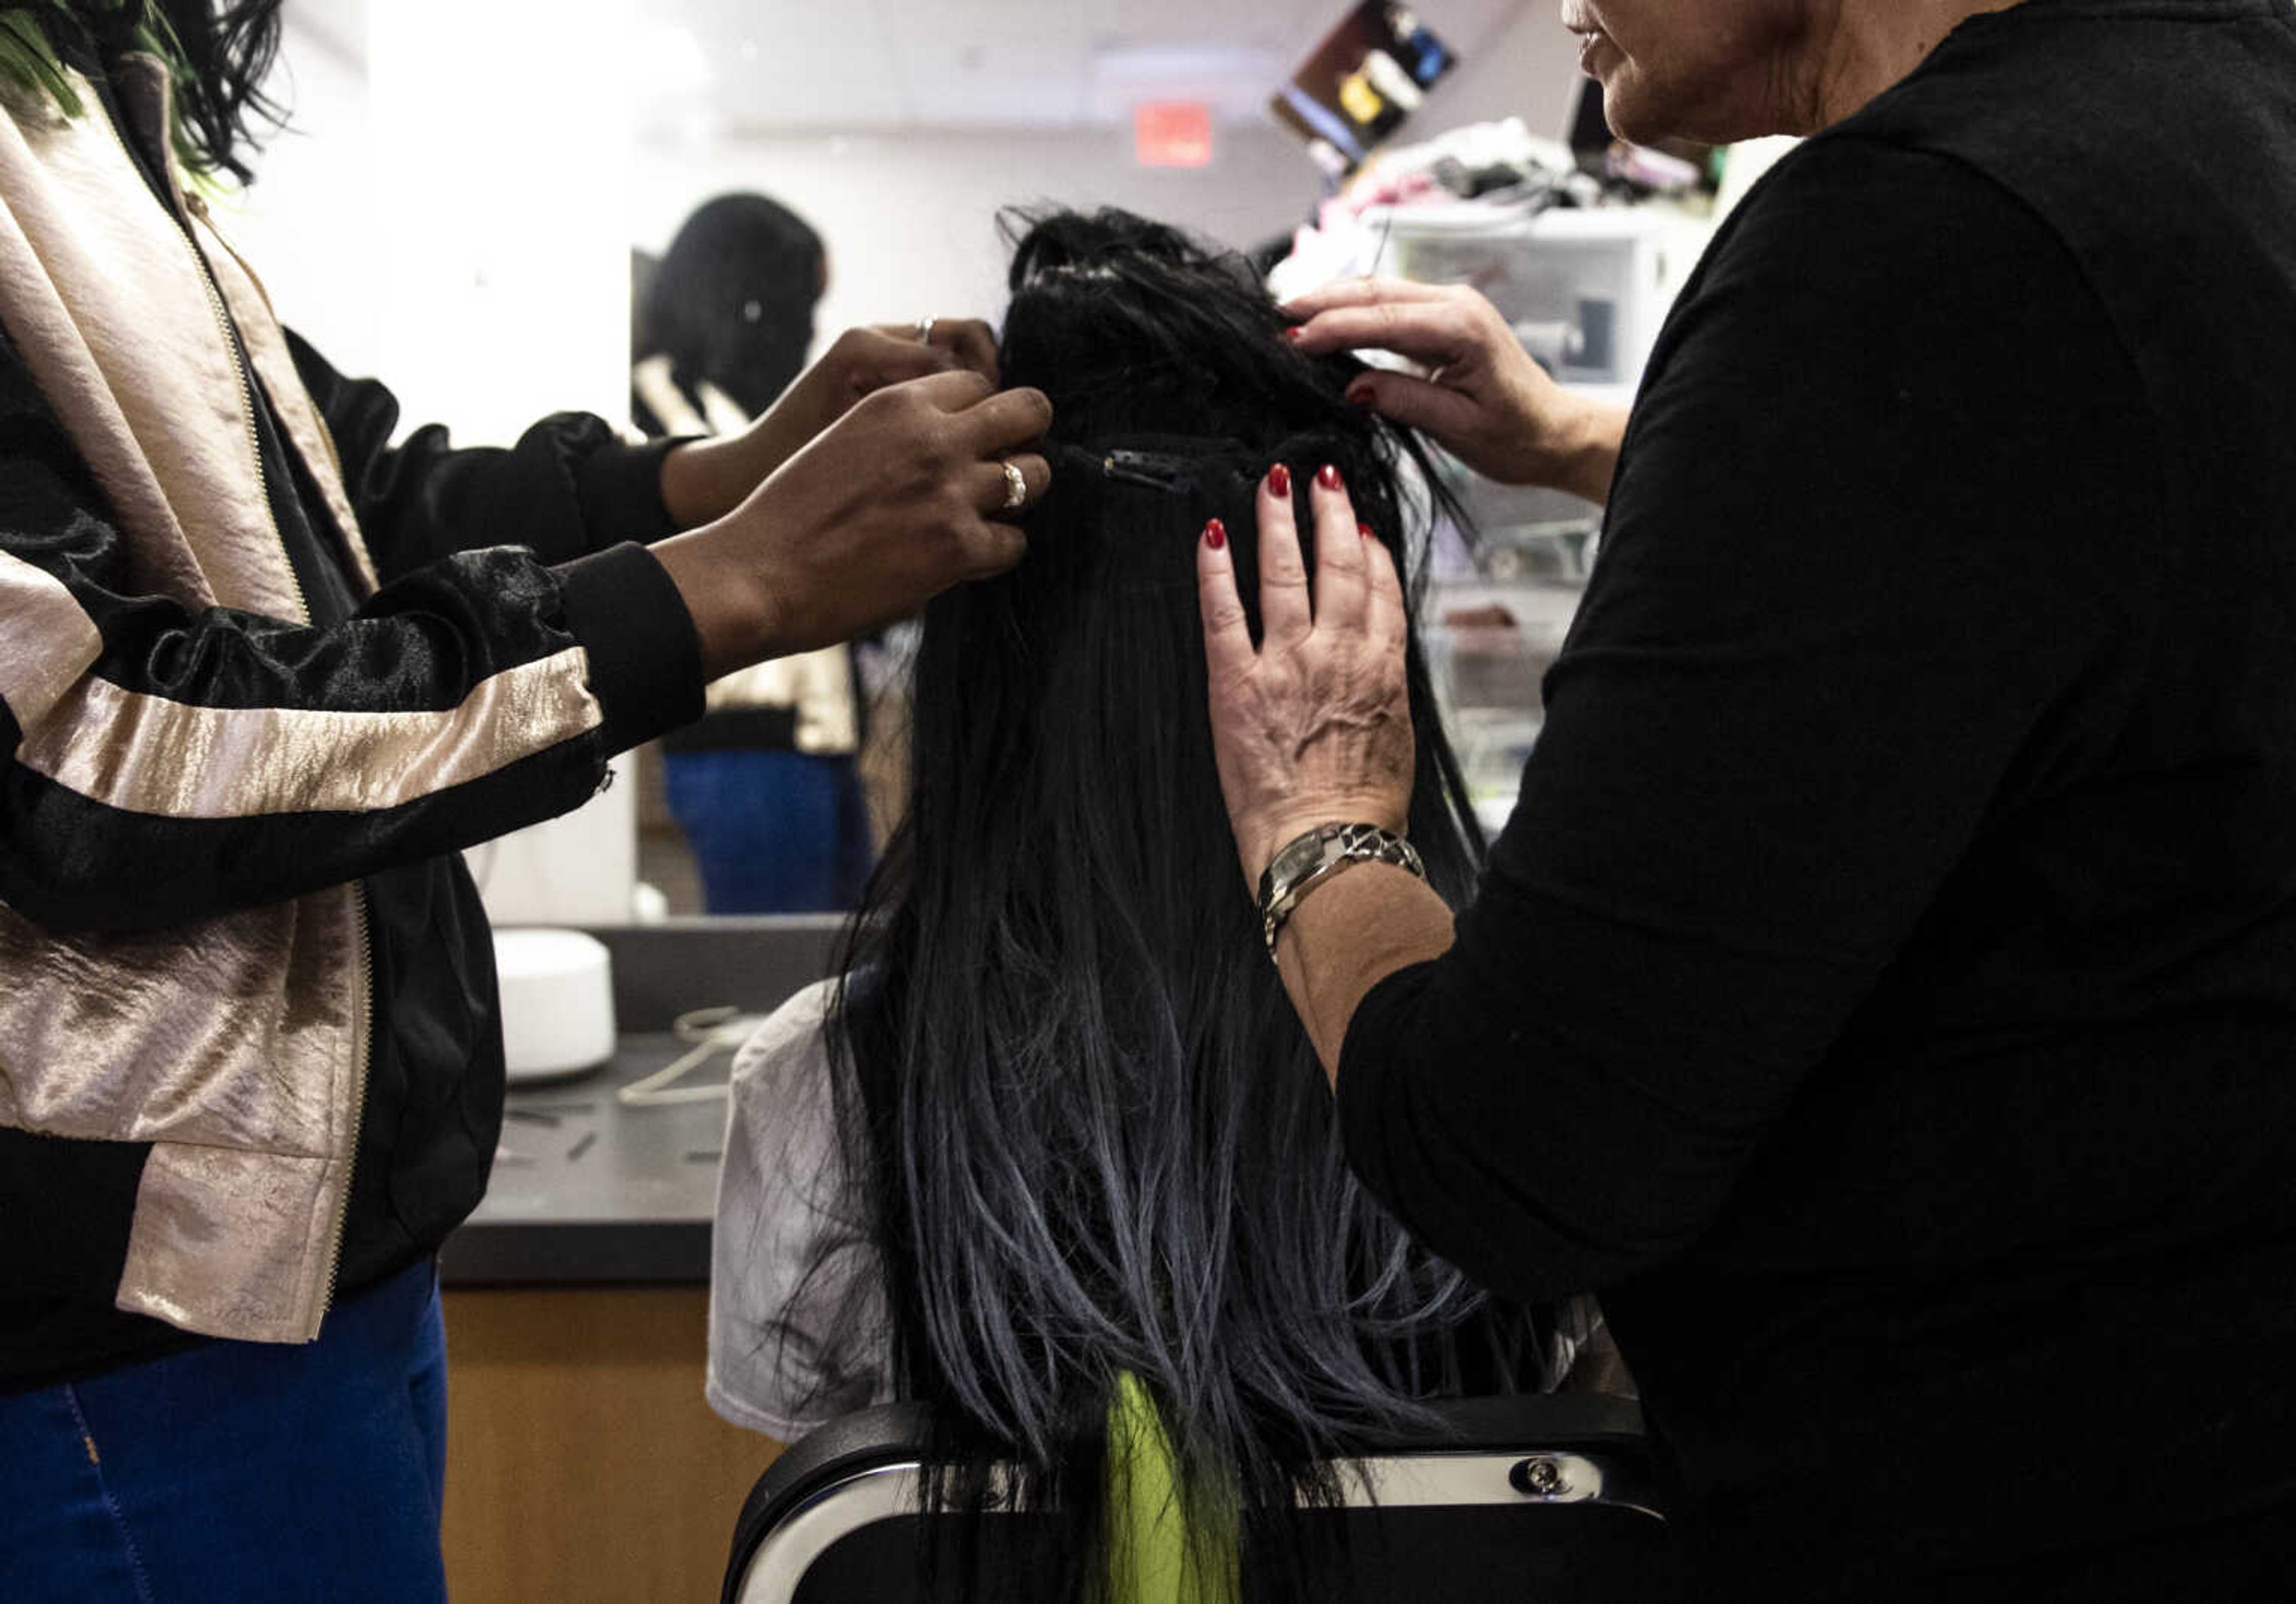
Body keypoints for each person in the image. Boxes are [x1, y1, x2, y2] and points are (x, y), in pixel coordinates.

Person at [1197, 0, 2296, 1598]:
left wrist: (1320, 813)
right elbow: (2053, 523)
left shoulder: (1913, 241)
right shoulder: (2236, 99)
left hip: (2055, 1506)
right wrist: (1584, 443)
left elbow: (1518, 1145)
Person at [0, 4, 1050, 1599]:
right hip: (123, 1307)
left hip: (323, 1241)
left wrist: (716, 483)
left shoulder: (84, 121)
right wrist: (723, 586)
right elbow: (85, 748)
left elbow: (354, 502)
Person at [708, 208, 1565, 1603]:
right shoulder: (1528, 1080)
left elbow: (842, 1549)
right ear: (1371, 638)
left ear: (989, 676)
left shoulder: (832, 1089)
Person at [634, 193, 880, 914]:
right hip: (741, 741)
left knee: (833, 973)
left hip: (819, 735)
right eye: (795, 299)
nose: (804, 328)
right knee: (774, 976)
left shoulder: (755, 404)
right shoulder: (661, 401)